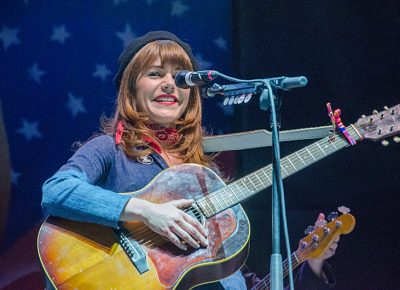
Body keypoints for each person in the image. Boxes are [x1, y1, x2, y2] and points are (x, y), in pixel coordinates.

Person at [41, 31, 338, 289]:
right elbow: (56, 190)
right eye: (155, 74)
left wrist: (309, 264)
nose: (169, 84)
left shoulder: (204, 176)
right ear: (131, 89)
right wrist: (147, 212)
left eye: (180, 77)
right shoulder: (111, 149)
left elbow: (234, 281)